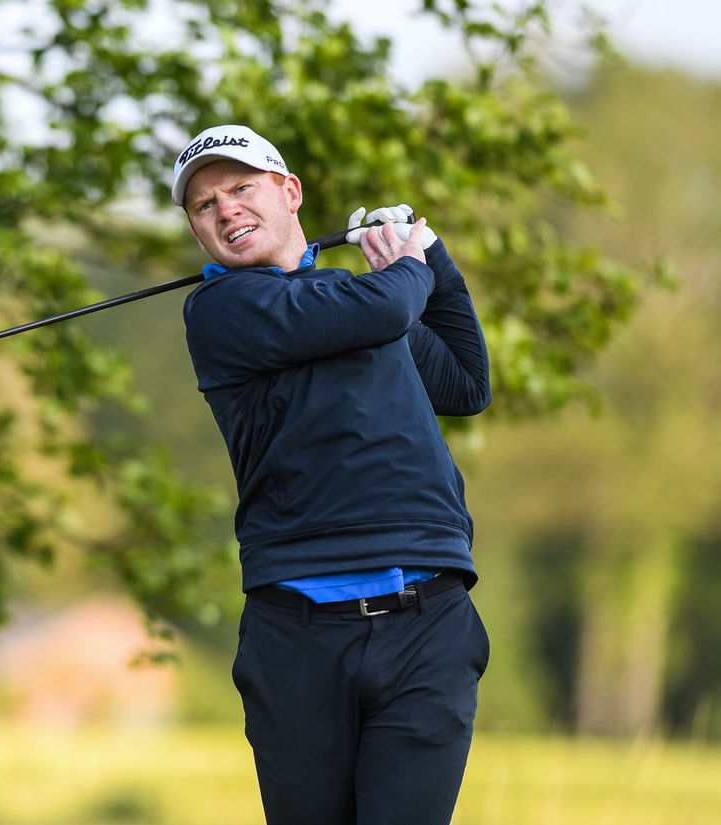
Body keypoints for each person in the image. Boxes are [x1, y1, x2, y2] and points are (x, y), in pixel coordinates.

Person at [173, 124, 492, 825]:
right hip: (298, 635)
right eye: (204, 205)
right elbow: (385, 304)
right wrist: (409, 266)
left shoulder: (359, 304)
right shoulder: (222, 310)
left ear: (289, 192)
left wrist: (433, 255)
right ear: (197, 230)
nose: (225, 210)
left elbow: (467, 383)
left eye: (241, 188)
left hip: (428, 623)